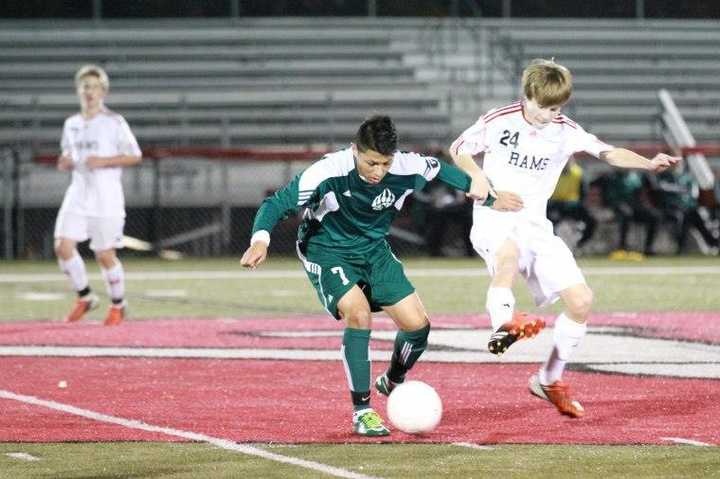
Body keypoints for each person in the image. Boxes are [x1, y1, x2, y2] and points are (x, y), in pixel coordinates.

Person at [240, 115, 521, 436]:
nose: (378, 172)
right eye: (371, 162)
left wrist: (490, 197)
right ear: (354, 150)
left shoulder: (407, 166)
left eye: (385, 164)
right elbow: (277, 203)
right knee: (358, 314)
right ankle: (362, 411)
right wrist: (260, 239)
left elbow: (443, 171)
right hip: (326, 248)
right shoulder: (328, 171)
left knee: (418, 327)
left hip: (373, 250)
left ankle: (393, 380)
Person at [449, 58, 680, 418]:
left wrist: (648, 163)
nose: (549, 115)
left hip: (536, 225)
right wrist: (479, 180)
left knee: (582, 301)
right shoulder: (499, 120)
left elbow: (607, 152)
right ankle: (502, 325)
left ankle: (549, 379)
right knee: (507, 258)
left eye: (556, 107)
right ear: (527, 96)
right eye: (544, 107)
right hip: (495, 215)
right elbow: (459, 149)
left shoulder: (564, 128)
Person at [54, 64, 142, 326]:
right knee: (63, 246)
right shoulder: (71, 124)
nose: (88, 91)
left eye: (93, 86)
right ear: (78, 91)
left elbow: (135, 155)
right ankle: (85, 297)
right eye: (84, 87)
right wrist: (64, 162)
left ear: (103, 91)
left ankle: (118, 303)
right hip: (78, 194)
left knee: (104, 254)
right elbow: (68, 156)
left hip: (107, 198)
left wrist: (104, 161)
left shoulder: (114, 122)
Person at [546, 157, 596, 250]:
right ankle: (551, 247)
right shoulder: (552, 172)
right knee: (547, 223)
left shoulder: (578, 173)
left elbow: (583, 192)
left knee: (591, 221)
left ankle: (580, 244)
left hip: (573, 206)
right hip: (555, 205)